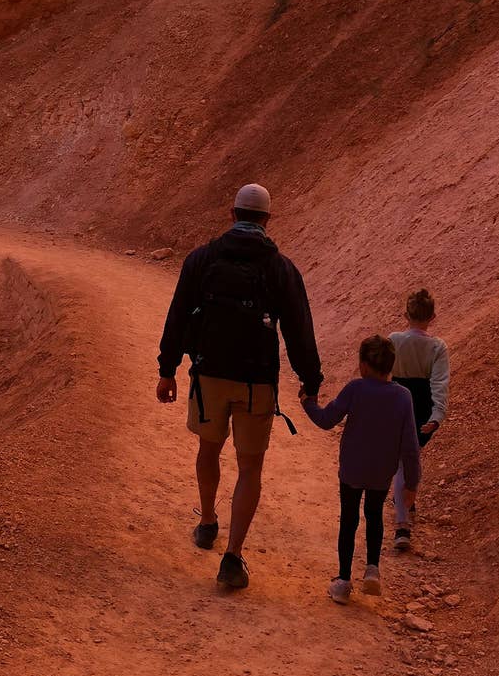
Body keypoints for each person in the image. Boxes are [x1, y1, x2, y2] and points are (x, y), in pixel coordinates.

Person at [157, 183, 323, 590]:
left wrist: (167, 368)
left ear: (231, 215)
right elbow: (299, 330)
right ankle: (232, 557)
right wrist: (310, 381)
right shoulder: (281, 268)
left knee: (207, 449)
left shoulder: (201, 259)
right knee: (250, 467)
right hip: (256, 384)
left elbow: (177, 314)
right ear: (268, 220)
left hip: (209, 374)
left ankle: (208, 520)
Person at [300, 334, 420, 601]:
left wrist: (308, 403)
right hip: (381, 471)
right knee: (374, 514)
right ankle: (372, 571)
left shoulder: (355, 388)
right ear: (391, 366)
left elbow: (327, 419)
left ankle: (343, 581)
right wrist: (411, 483)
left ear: (364, 365)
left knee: (349, 519)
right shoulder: (403, 397)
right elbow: (410, 447)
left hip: (353, 468)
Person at [389, 289, 450, 552]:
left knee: (401, 461)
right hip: (422, 407)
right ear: (433, 317)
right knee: (409, 458)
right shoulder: (437, 347)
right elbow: (439, 384)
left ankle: (403, 516)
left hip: (394, 402)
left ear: (405, 314)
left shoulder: (393, 340)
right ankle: (403, 517)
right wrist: (437, 415)